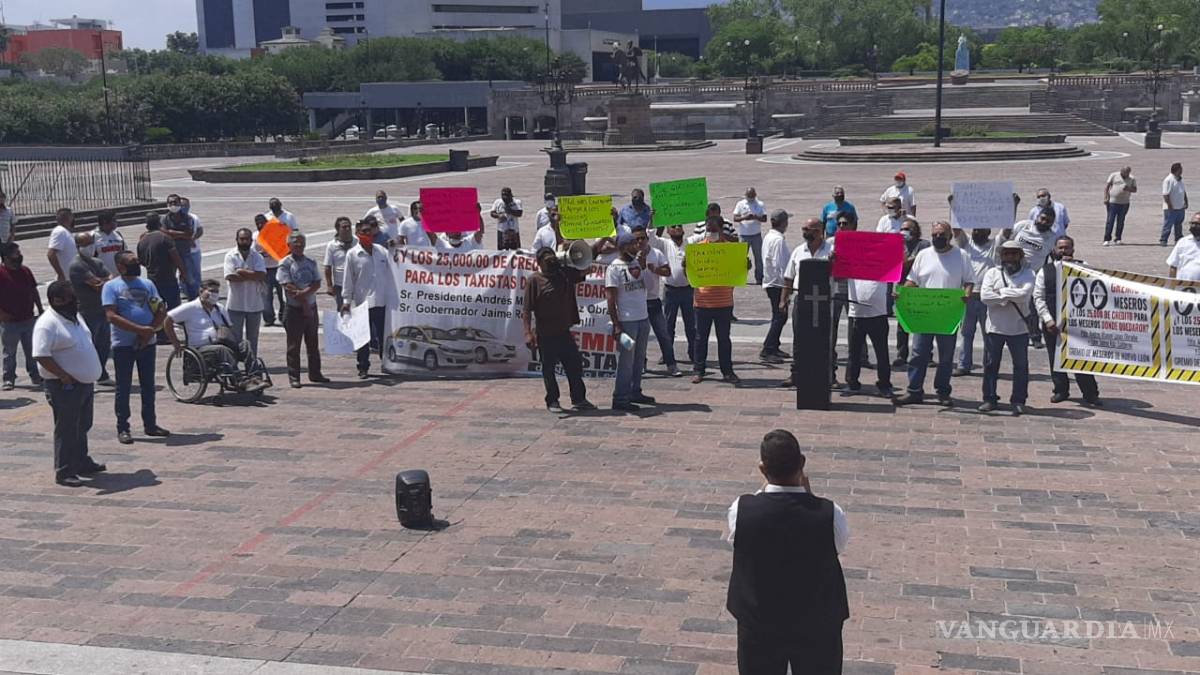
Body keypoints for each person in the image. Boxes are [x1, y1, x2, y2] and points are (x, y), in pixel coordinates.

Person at [726, 429, 849, 675]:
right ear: (802, 463)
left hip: (759, 621)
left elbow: (739, 542)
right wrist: (810, 497)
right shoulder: (830, 513)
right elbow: (838, 546)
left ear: (762, 469)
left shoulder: (742, 510)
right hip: (817, 623)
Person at [32, 281, 106, 487]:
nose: (76, 300)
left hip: (84, 384)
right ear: (57, 300)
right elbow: (40, 355)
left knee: (83, 424)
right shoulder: (47, 324)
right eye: (70, 297)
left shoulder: (74, 317)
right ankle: (64, 471)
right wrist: (63, 375)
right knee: (67, 428)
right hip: (64, 387)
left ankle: (81, 461)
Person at [893, 221, 974, 407]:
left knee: (946, 356)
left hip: (948, 314)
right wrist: (902, 292)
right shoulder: (924, 255)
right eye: (935, 235)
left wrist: (967, 294)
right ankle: (914, 390)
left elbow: (969, 281)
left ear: (950, 236)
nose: (938, 238)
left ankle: (943, 391)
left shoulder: (961, 255)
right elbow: (913, 280)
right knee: (918, 353)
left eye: (942, 235)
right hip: (925, 313)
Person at [103, 251, 170, 445]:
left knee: (148, 385)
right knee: (123, 387)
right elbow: (111, 316)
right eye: (132, 262)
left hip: (147, 343)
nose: (137, 265)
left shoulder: (148, 284)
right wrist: (140, 330)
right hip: (123, 344)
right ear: (120, 267)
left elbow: (160, 309)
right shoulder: (111, 286)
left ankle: (150, 424)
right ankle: (123, 427)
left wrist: (150, 331)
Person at [523, 247, 596, 413]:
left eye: (552, 258)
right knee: (548, 368)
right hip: (545, 333)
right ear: (539, 263)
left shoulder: (563, 275)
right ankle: (552, 400)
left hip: (563, 331)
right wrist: (528, 333)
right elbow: (526, 310)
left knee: (574, 365)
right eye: (547, 260)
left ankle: (579, 399)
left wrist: (570, 257)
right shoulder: (534, 281)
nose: (551, 262)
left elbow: (585, 268)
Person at [165, 279, 267, 393]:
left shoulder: (220, 308)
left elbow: (229, 327)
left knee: (245, 344)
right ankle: (239, 381)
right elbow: (167, 320)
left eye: (216, 291)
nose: (214, 294)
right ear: (201, 291)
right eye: (211, 291)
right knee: (221, 350)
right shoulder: (190, 308)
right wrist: (176, 343)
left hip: (221, 343)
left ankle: (255, 376)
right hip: (200, 348)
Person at [1035, 235, 1101, 407]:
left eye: (1067, 247)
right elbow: (1039, 297)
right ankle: (1060, 390)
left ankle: (1090, 393)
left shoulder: (1085, 267)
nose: (1064, 250)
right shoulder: (1045, 271)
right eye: (1061, 248)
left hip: (1078, 324)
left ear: (1073, 249)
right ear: (1054, 250)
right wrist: (1048, 320)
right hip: (1053, 323)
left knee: (1082, 359)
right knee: (1055, 358)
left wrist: (1076, 268)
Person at [979, 241, 1035, 416]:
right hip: (994, 328)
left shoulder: (1029, 273)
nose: (1010, 257)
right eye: (1006, 253)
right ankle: (989, 398)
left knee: (1020, 366)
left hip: (1019, 329)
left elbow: (1025, 295)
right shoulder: (992, 273)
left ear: (1020, 256)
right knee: (990, 365)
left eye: (1013, 253)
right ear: (1001, 256)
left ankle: (1018, 400)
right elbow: (985, 297)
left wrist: (1001, 293)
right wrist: (1009, 295)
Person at [778, 218, 834, 388]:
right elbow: (789, 277)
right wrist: (783, 300)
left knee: (824, 339)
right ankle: (796, 374)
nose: (804, 232)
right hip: (802, 301)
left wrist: (834, 262)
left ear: (818, 231)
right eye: (803, 229)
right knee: (800, 339)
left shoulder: (831, 251)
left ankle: (829, 375)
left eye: (807, 229)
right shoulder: (798, 251)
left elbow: (840, 276)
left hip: (823, 302)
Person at [689, 216, 743, 385]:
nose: (711, 232)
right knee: (700, 338)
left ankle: (727, 371)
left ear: (721, 229)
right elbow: (690, 276)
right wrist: (686, 266)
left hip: (724, 302)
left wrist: (744, 266)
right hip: (702, 302)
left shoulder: (730, 250)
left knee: (724, 339)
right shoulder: (698, 249)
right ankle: (699, 370)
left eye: (714, 229)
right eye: (708, 229)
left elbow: (738, 273)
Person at [606, 231, 655, 411]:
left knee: (639, 358)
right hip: (627, 321)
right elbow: (610, 298)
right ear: (623, 247)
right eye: (633, 244)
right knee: (626, 361)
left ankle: (635, 390)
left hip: (643, 317)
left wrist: (644, 268)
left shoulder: (636, 263)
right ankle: (620, 397)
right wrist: (616, 324)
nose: (637, 246)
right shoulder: (614, 268)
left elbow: (650, 287)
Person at [342, 219, 396, 378]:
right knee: (363, 338)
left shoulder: (381, 251)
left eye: (370, 231)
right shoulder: (353, 254)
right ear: (358, 234)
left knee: (384, 336)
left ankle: (387, 363)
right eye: (364, 231)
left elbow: (394, 268)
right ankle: (363, 367)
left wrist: (396, 248)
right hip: (363, 303)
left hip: (382, 301)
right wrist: (346, 301)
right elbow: (348, 279)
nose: (368, 234)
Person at [275, 232, 328, 388]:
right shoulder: (285, 263)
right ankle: (294, 377)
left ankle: (315, 373)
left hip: (311, 307)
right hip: (294, 309)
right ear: (289, 245)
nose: (299, 246)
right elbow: (288, 286)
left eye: (301, 243)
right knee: (293, 345)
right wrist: (304, 302)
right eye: (295, 243)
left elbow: (317, 283)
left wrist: (305, 295)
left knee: (313, 343)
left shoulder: (311, 262)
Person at [1002, 207, 1058, 349]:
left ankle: (1035, 336)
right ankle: (1008, 334)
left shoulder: (1052, 238)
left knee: (1032, 308)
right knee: (1008, 303)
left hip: (1032, 275)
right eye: (1043, 218)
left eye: (1048, 221)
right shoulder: (1023, 225)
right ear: (1037, 216)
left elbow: (1055, 257)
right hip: (1011, 271)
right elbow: (1006, 238)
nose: (1044, 222)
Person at [952, 227, 1000, 376]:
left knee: (989, 335)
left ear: (988, 232)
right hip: (968, 297)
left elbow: (1006, 230)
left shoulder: (995, 245)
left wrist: (1011, 212)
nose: (976, 233)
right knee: (966, 333)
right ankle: (963, 365)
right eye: (975, 230)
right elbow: (956, 228)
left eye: (981, 230)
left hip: (987, 298)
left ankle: (989, 366)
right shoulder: (967, 243)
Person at [68, 233, 113, 385]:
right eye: (85, 244)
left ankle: (101, 374)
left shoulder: (97, 262)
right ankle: (86, 376)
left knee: (104, 345)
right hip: (87, 311)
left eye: (91, 243)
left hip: (102, 309)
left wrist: (103, 281)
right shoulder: (77, 265)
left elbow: (110, 279)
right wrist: (104, 281)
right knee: (88, 346)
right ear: (77, 247)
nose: (89, 247)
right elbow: (98, 286)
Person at [635, 225, 679, 377]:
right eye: (637, 239)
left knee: (663, 334)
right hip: (637, 302)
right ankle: (641, 364)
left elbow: (668, 271)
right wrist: (640, 265)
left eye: (642, 238)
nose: (640, 242)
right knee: (640, 337)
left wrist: (655, 270)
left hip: (653, 301)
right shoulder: (630, 256)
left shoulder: (656, 253)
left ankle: (671, 364)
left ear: (647, 239)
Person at [845, 255, 892, 397]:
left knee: (882, 353)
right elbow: (837, 275)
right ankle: (852, 383)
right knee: (854, 352)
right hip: (856, 314)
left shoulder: (883, 262)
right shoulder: (851, 263)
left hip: (878, 314)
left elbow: (899, 266)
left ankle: (884, 385)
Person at [0, 242, 44, 390]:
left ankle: (35, 375)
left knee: (32, 350)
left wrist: (40, 308)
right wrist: (2, 314)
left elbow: (33, 290)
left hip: (28, 318)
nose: (19, 256)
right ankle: (8, 378)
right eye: (16, 253)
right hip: (9, 321)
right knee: (9, 352)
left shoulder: (25, 271)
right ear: (6, 257)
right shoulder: (1, 273)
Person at [652, 222, 695, 364]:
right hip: (671, 291)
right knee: (668, 325)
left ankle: (694, 353)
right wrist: (653, 219)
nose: (677, 228)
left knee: (691, 325)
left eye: (679, 226)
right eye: (673, 226)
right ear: (668, 231)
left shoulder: (690, 242)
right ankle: (667, 354)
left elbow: (707, 235)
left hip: (688, 290)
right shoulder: (664, 244)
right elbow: (650, 237)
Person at [892, 217, 931, 367]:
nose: (904, 232)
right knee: (902, 324)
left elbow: (924, 262)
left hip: (920, 288)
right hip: (903, 287)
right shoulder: (898, 245)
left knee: (923, 322)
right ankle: (901, 354)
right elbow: (897, 265)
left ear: (915, 230)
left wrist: (910, 261)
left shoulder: (924, 245)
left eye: (907, 229)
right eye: (902, 229)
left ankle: (926, 354)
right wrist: (911, 260)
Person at [223, 227, 267, 358]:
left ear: (251, 241)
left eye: (247, 239)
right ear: (237, 240)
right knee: (234, 339)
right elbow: (230, 276)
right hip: (235, 304)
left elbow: (261, 275)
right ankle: (234, 364)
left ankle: (251, 363)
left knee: (252, 339)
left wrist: (241, 271)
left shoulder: (257, 256)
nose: (244, 241)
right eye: (242, 239)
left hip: (254, 304)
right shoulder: (230, 256)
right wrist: (252, 275)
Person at [136, 213, 185, 316]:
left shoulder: (142, 239)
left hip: (152, 279)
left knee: (157, 308)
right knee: (175, 309)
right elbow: (176, 257)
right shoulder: (165, 238)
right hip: (168, 278)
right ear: (159, 224)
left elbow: (141, 261)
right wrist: (183, 272)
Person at [760, 210, 791, 363]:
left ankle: (774, 345)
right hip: (777, 283)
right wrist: (787, 284)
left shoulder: (769, 236)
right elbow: (780, 264)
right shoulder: (778, 240)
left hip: (771, 280)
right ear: (784, 223)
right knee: (780, 316)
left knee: (778, 315)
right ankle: (768, 348)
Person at [252, 213, 287, 326]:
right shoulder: (255, 236)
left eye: (262, 223)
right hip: (264, 270)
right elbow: (253, 253)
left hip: (278, 267)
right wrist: (261, 254)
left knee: (283, 295)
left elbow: (285, 247)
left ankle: (284, 316)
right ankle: (268, 318)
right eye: (257, 224)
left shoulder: (275, 233)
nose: (260, 225)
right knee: (266, 296)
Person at [161, 194, 198, 300]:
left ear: (179, 204)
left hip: (184, 252)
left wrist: (172, 232)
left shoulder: (187, 218)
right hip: (170, 254)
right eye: (170, 203)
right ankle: (172, 299)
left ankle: (193, 298)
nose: (173, 205)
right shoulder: (164, 219)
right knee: (169, 277)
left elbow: (189, 234)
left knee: (189, 277)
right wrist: (181, 234)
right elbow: (165, 234)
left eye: (175, 202)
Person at [733, 188, 767, 285]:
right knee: (741, 258)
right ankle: (740, 277)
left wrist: (756, 217)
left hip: (756, 235)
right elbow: (735, 218)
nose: (750, 198)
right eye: (749, 196)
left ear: (755, 195)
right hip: (744, 235)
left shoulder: (760, 204)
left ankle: (759, 278)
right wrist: (745, 217)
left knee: (759, 258)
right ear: (745, 195)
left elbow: (764, 219)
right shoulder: (740, 204)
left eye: (752, 196)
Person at [323, 217, 354, 309]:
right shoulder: (332, 245)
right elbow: (327, 267)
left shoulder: (357, 241)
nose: (347, 229)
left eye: (349, 226)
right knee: (342, 310)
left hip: (356, 283)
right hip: (340, 285)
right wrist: (329, 285)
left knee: (359, 310)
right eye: (344, 227)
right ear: (337, 229)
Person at [1103, 166, 1137, 246]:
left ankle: (1118, 238)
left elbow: (1135, 189)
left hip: (1124, 203)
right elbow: (1107, 187)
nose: (1126, 175)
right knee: (1110, 221)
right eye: (1125, 173)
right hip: (1113, 202)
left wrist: (1128, 189)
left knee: (1121, 221)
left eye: (1128, 173)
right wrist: (1106, 197)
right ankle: (1107, 239)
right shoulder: (1114, 175)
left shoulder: (1132, 178)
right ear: (1121, 171)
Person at [91, 209, 127, 274]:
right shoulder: (93, 236)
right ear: (104, 221)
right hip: (101, 276)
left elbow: (125, 253)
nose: (116, 222)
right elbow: (87, 259)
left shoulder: (118, 235)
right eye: (114, 220)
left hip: (118, 275)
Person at [47, 207, 78, 282]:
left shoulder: (67, 232)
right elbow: (51, 254)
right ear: (68, 218)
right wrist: (60, 274)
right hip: (66, 279)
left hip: (72, 277)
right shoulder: (59, 231)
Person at [1161, 162, 1188, 246]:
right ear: (1176, 170)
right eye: (1181, 169)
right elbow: (1165, 194)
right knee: (1168, 224)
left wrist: (1186, 201)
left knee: (1179, 225)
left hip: (1180, 207)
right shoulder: (1168, 180)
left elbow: (1183, 191)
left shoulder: (1180, 180)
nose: (1182, 171)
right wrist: (1170, 205)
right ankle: (1163, 240)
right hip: (1171, 208)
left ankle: (1178, 239)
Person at [1167, 212, 1200, 277]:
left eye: (1197, 224)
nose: (1194, 226)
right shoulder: (1183, 242)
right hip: (1183, 282)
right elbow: (1173, 265)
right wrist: (1172, 282)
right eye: (1192, 223)